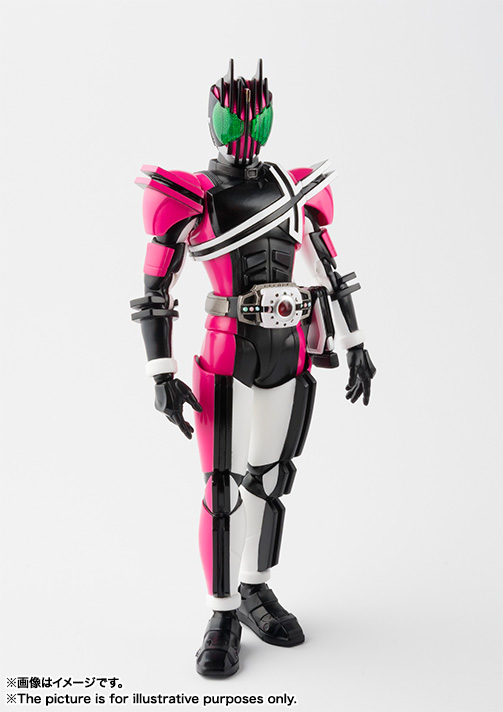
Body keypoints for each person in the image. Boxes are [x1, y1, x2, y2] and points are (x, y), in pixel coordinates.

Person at [131, 59, 376, 677]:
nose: (245, 127)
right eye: (235, 115)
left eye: (255, 115)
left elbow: (329, 269)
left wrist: (355, 342)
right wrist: (160, 371)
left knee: (270, 480)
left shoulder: (295, 190)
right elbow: (156, 290)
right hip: (226, 353)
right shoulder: (191, 194)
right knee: (221, 489)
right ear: (215, 118)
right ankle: (220, 614)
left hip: (288, 349)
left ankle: (254, 589)